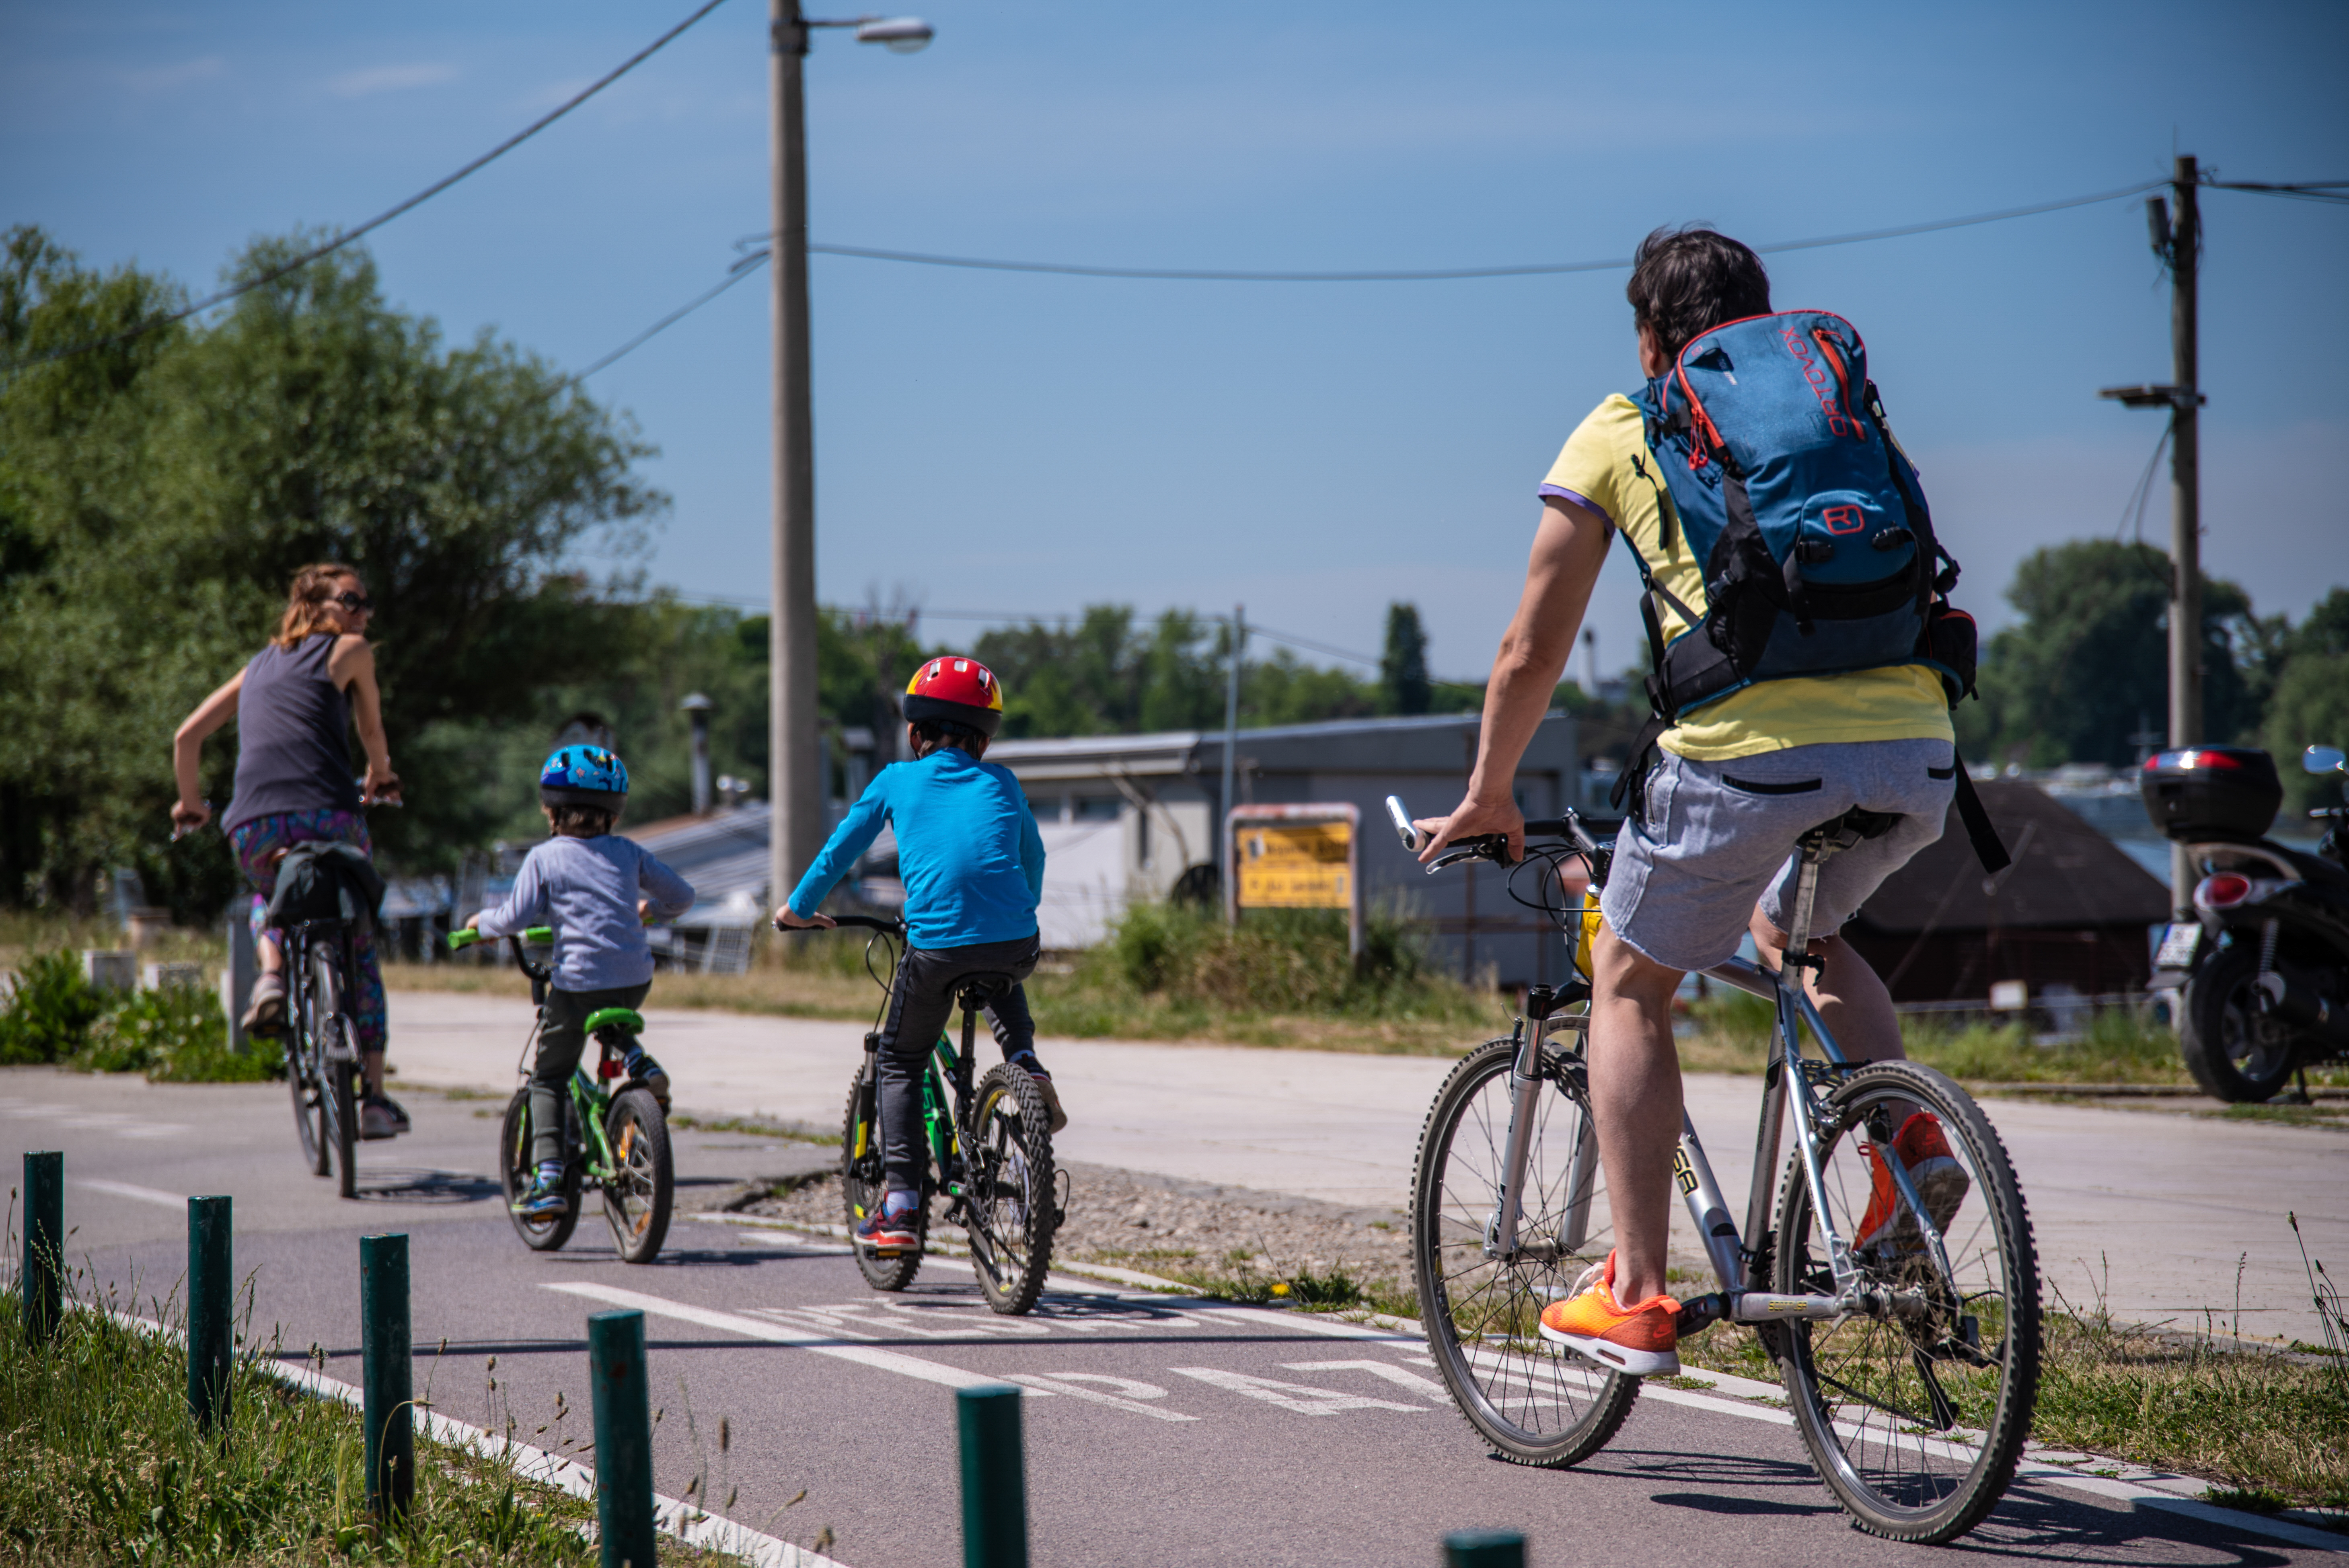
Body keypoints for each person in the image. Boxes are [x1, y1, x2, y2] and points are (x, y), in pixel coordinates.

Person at [1416, 227, 1967, 1379]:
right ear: (1760, 316)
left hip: (1746, 753)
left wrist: (1489, 790)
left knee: (1627, 979)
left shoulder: (1631, 417)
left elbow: (1532, 644)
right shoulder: (1838, 405)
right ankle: (1907, 1142)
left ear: (1652, 333)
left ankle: (1638, 1289)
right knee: (1793, 931)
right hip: (1916, 744)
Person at [774, 656, 1057, 1255]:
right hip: (1015, 936)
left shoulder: (896, 780)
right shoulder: (1003, 782)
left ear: (914, 732)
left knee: (901, 1059)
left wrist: (798, 908)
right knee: (1002, 971)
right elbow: (1033, 860)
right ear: (984, 739)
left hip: (935, 947)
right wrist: (1015, 908)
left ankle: (901, 1203)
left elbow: (838, 850)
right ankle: (1027, 1061)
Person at [172, 562, 412, 1140]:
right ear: (319, 605)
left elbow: (187, 736)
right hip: (329, 814)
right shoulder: (349, 650)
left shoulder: (254, 667)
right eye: (353, 600)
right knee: (358, 942)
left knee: (268, 895)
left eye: (365, 602)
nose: (363, 614)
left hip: (252, 825)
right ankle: (375, 1098)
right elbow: (372, 732)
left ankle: (272, 976)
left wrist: (190, 804)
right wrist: (381, 775)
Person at [466, 744, 696, 1219]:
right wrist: (650, 910)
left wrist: (479, 926)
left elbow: (514, 917)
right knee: (610, 1019)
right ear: (615, 811)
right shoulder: (630, 852)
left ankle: (549, 1178)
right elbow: (683, 895)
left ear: (550, 810)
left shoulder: (545, 856)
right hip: (635, 978)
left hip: (577, 982)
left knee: (549, 1077)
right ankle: (639, 1059)